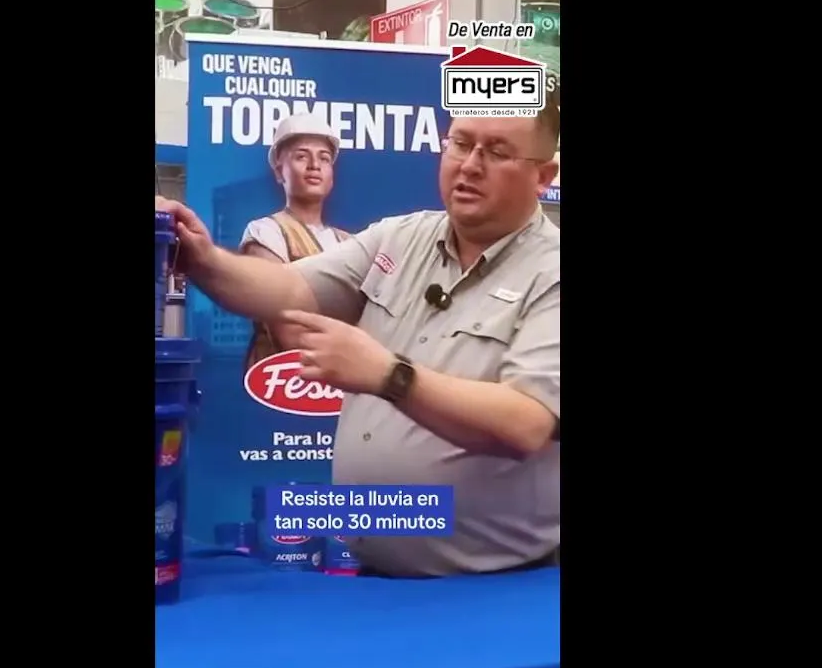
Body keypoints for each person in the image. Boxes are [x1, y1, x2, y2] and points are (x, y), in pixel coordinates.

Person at [155, 92, 561, 578]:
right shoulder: (399, 238)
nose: (470, 165)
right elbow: (289, 289)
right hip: (375, 579)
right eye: (460, 143)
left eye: (496, 151)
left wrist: (390, 376)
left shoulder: (551, 270)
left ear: (544, 176)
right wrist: (201, 259)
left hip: (503, 587)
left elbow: (527, 422)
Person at [241, 113, 351, 369]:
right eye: (301, 156)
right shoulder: (265, 232)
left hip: (339, 379)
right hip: (281, 379)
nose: (314, 165)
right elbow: (287, 327)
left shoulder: (348, 242)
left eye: (324, 158)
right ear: (279, 171)